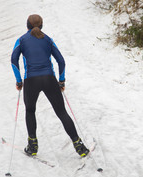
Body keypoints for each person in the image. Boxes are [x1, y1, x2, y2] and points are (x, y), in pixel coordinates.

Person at [11, 14, 89, 157]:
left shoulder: (21, 40)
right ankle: (79, 145)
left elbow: (13, 61)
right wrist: (61, 80)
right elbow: (61, 61)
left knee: (30, 111)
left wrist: (19, 81)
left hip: (31, 80)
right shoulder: (48, 39)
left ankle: (32, 146)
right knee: (61, 112)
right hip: (49, 79)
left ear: (27, 26)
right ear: (41, 25)